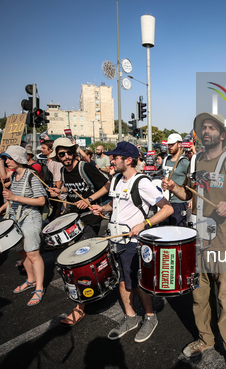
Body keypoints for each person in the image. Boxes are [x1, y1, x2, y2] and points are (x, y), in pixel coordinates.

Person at [164, 113, 226, 369]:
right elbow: (188, 193)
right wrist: (174, 189)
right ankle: (205, 338)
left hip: (225, 243)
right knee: (199, 297)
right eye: (202, 128)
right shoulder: (194, 160)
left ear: (222, 134)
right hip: (197, 242)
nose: (205, 131)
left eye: (211, 127)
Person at [90, 141, 173, 342]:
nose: (111, 160)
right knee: (121, 280)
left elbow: (167, 208)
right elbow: (114, 203)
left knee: (137, 282)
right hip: (115, 239)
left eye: (115, 157)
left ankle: (150, 317)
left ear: (128, 160)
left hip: (133, 243)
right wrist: (103, 209)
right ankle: (130, 317)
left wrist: (144, 223)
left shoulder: (142, 182)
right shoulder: (117, 179)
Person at [47, 138, 111, 325]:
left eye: (68, 152)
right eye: (61, 154)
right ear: (57, 156)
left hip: (91, 217)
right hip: (74, 218)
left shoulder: (85, 167)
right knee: (77, 259)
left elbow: (107, 184)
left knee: (77, 260)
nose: (66, 156)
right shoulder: (62, 170)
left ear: (74, 151)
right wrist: (59, 192)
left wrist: (90, 199)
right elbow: (72, 188)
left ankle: (79, 308)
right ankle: (94, 288)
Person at [0, 146, 47, 306]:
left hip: (30, 218)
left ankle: (39, 288)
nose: (6, 162)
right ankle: (31, 279)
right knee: (22, 253)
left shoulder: (32, 176)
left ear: (18, 160)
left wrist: (15, 197)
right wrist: (0, 210)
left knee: (33, 254)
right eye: (5, 159)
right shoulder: (14, 176)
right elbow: (4, 181)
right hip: (15, 218)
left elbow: (41, 201)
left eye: (8, 159)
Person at [160, 134, 190, 226]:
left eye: (172, 144)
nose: (170, 147)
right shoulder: (165, 160)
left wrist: (192, 199)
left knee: (177, 232)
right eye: (169, 144)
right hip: (164, 201)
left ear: (179, 144)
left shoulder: (184, 162)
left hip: (178, 203)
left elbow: (191, 182)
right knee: (163, 230)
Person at [40, 140, 64, 221]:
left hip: (56, 195)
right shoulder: (48, 161)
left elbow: (58, 180)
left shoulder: (56, 162)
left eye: (44, 148)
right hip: (50, 193)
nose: (41, 149)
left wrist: (56, 193)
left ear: (51, 150)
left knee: (55, 218)